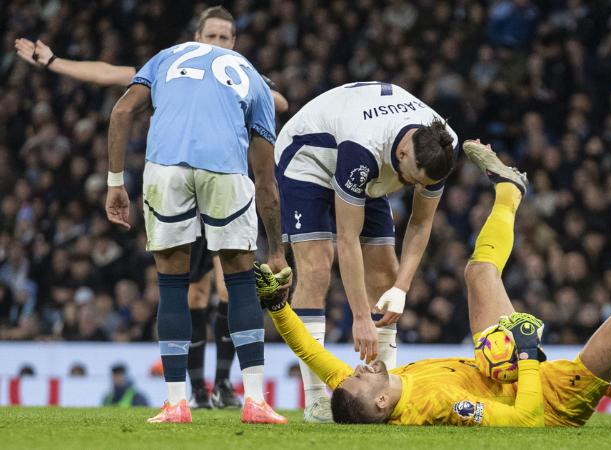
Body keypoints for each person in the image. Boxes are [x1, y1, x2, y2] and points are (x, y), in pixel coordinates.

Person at [257, 141, 611, 426]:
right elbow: (527, 421)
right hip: (549, 396)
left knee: (477, 271)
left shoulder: (365, 388)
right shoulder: (442, 407)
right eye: (361, 379)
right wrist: (529, 356)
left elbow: (311, 351)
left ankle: (510, 189)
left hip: (494, 362)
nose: (357, 368)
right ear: (380, 406)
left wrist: (278, 306)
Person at [14, 6, 287, 409]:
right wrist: (55, 62)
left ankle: (218, 385)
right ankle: (204, 389)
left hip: (170, 172)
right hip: (220, 177)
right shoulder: (235, 72)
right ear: (198, 36)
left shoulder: (184, 62)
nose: (216, 43)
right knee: (208, 287)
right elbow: (109, 71)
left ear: (234, 42)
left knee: (207, 284)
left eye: (223, 38)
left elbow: (123, 101)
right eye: (210, 36)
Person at [105, 35, 287, 424]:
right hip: (225, 169)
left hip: (165, 168)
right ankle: (254, 400)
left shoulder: (165, 56)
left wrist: (115, 183)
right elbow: (267, 182)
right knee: (239, 281)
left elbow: (121, 113)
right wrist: (276, 250)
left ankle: (176, 403)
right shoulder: (253, 77)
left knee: (173, 284)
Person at [274, 81, 456, 421]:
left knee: (386, 273)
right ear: (402, 153)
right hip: (309, 156)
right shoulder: (364, 148)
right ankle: (315, 401)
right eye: (413, 179)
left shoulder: (442, 147)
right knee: (316, 266)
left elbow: (420, 223)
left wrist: (401, 287)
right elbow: (347, 237)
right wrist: (359, 316)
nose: (415, 188)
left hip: (372, 164)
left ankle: (384, 398)